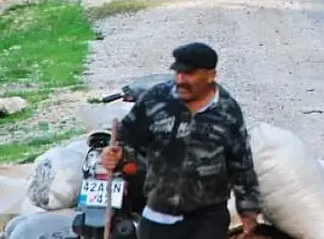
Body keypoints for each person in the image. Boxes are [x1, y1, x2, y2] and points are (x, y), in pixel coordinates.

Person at [101, 42, 261, 239]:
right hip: (158, 213)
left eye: (189, 74)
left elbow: (241, 162)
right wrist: (117, 156)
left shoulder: (227, 111)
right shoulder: (156, 100)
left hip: (207, 217)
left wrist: (248, 209)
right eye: (178, 73)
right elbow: (125, 138)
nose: (180, 80)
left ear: (211, 75)